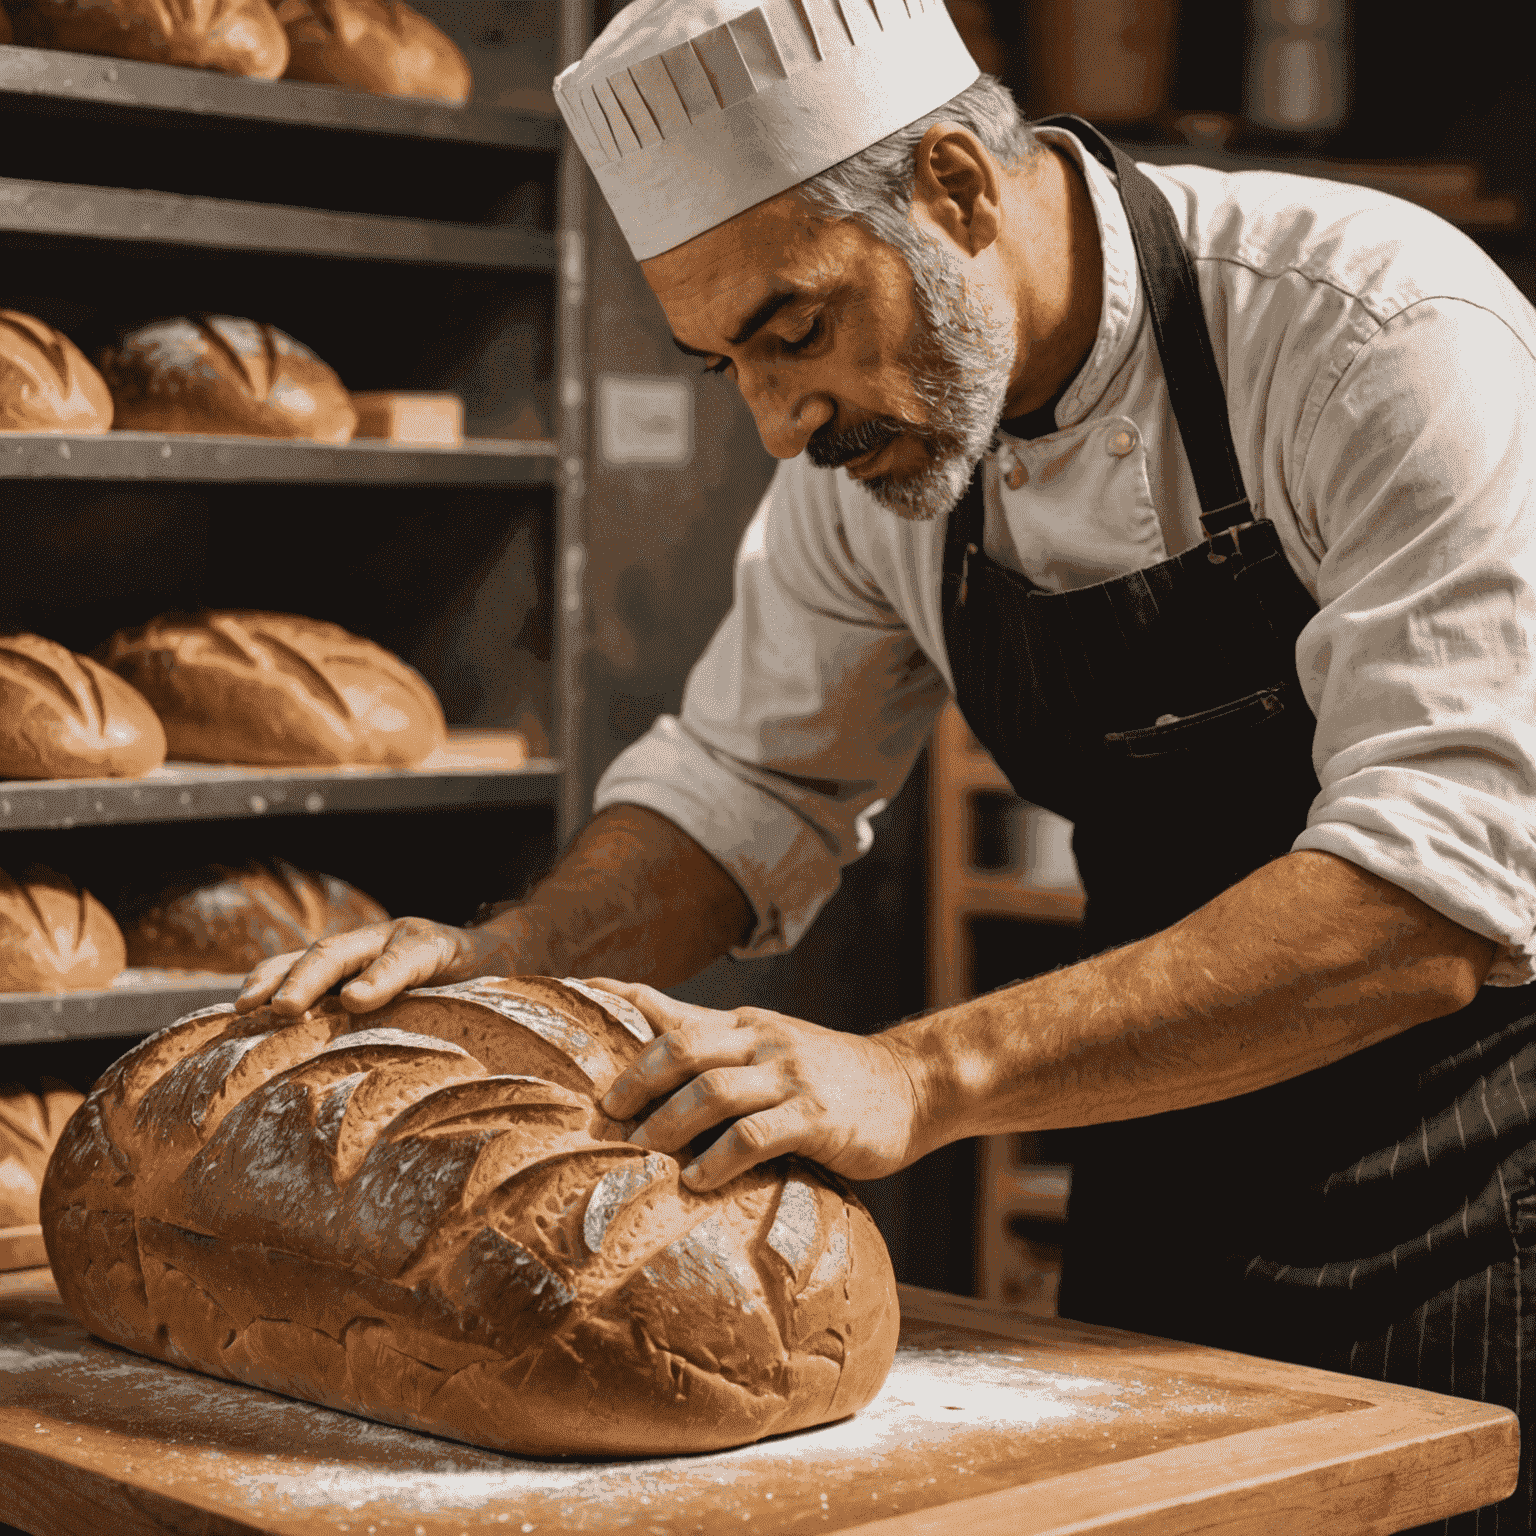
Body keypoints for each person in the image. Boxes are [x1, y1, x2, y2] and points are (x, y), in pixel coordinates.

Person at [241, 1, 1536, 1526]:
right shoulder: (880, 452)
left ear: (958, 189)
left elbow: (1430, 898)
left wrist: (919, 1073)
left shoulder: (1375, 340)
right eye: (722, 361)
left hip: (1470, 1187)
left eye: (792, 329)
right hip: (1152, 1158)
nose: (779, 420)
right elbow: (741, 799)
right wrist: (497, 972)